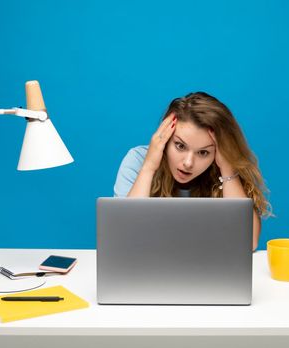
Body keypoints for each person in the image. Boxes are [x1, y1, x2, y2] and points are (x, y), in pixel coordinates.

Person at [113, 92, 269, 250]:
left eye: (203, 152)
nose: (188, 163)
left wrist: (228, 171)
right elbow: (125, 237)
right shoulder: (138, 160)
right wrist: (149, 167)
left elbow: (249, 242)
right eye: (180, 146)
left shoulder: (223, 168)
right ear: (165, 138)